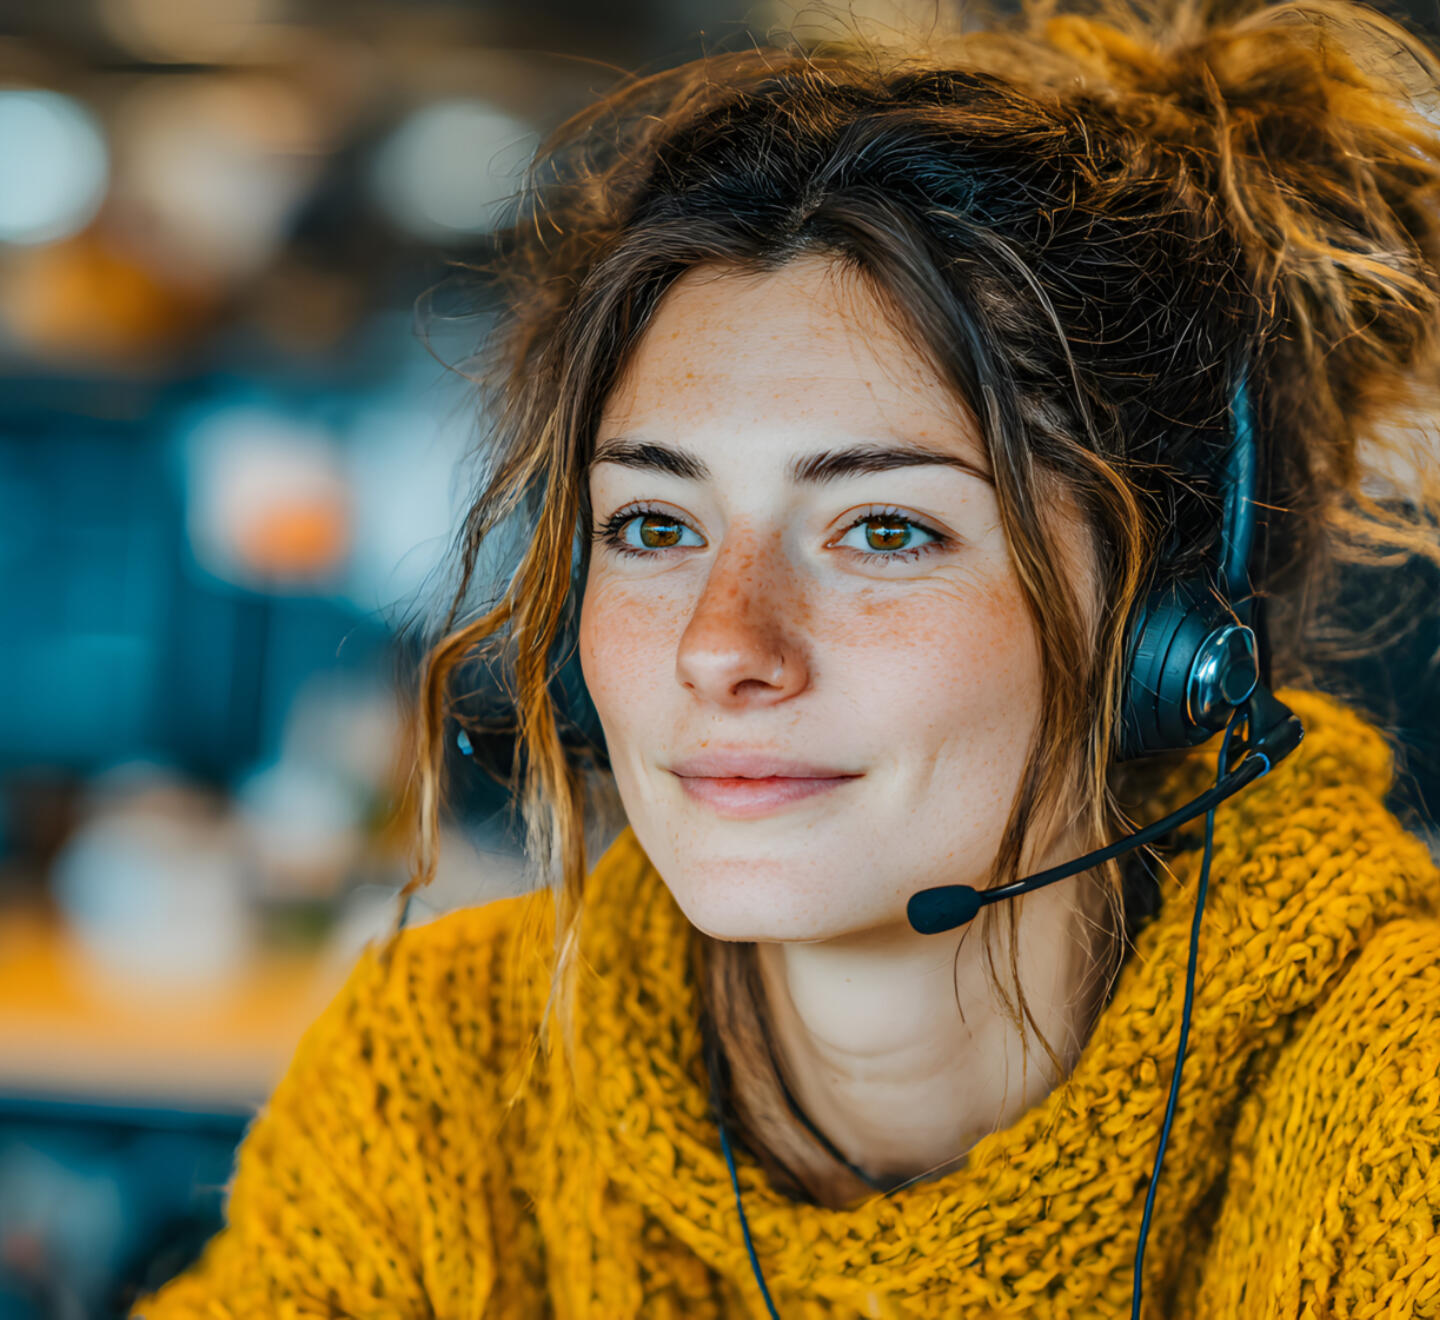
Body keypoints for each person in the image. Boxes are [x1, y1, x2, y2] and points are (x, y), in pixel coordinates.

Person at [131, 0, 1440, 1314]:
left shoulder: (1399, 1101)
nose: (722, 648)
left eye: (885, 529)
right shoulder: (451, 1076)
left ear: (1167, 632)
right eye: (655, 525)